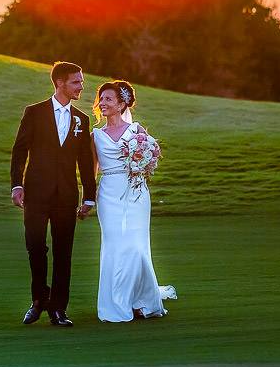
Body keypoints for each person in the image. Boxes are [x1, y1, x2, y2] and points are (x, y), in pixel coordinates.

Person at [10, 61, 97, 327]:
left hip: (66, 195)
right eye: (76, 82)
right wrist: (17, 185)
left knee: (63, 252)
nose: (81, 86)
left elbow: (85, 162)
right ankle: (39, 301)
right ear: (59, 82)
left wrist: (88, 197)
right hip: (35, 193)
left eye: (81, 81)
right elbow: (20, 150)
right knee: (35, 247)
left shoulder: (82, 120)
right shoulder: (34, 112)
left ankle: (59, 309)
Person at [91, 80, 176, 322]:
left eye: (108, 99)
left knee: (137, 247)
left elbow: (151, 159)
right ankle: (117, 304)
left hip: (137, 192)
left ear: (121, 104)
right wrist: (87, 199)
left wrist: (143, 165)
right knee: (115, 246)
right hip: (108, 193)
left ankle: (140, 300)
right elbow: (92, 171)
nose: (102, 103)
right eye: (101, 99)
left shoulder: (137, 131)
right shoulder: (95, 135)